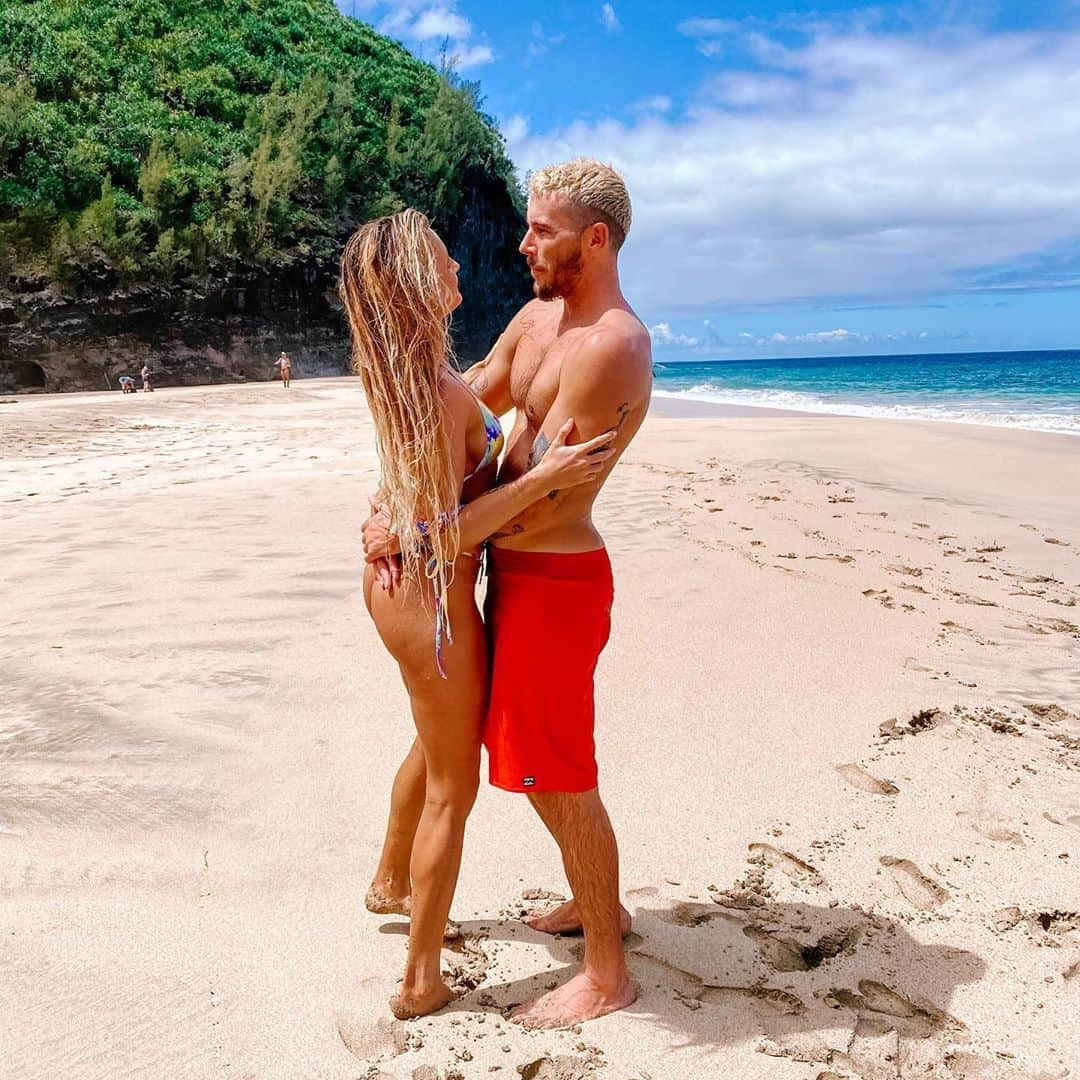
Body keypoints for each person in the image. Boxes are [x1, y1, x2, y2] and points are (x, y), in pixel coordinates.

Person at [363, 159, 653, 1028]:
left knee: (555, 776)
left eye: (542, 231)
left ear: (593, 240)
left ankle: (607, 969)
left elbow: (531, 480)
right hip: (500, 571)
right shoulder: (537, 317)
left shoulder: (612, 346)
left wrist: (417, 529)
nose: (522, 242)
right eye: (526, 225)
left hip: (554, 581)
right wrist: (389, 504)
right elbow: (451, 408)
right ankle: (591, 905)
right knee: (515, 759)